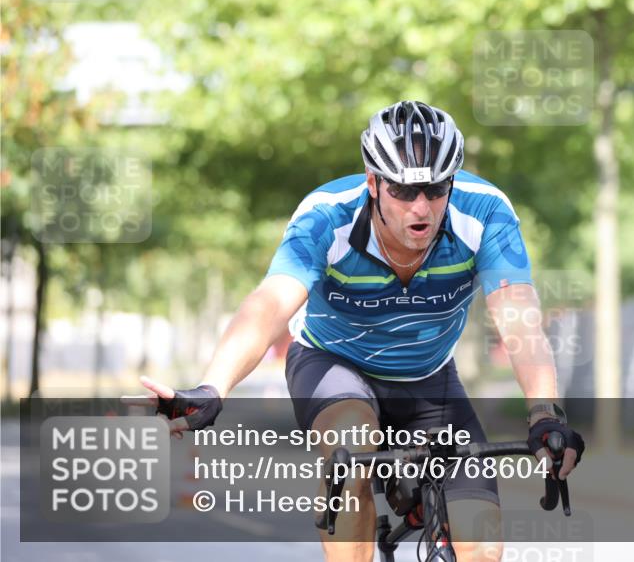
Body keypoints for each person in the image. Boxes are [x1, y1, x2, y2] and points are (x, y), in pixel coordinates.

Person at [140, 100, 585, 562]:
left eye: (436, 189)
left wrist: (545, 414)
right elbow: (270, 303)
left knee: (483, 548)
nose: (422, 207)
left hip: (428, 377)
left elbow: (517, 316)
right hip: (333, 364)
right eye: (402, 190)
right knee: (352, 445)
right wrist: (215, 386)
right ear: (372, 182)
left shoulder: (486, 213)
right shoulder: (326, 216)